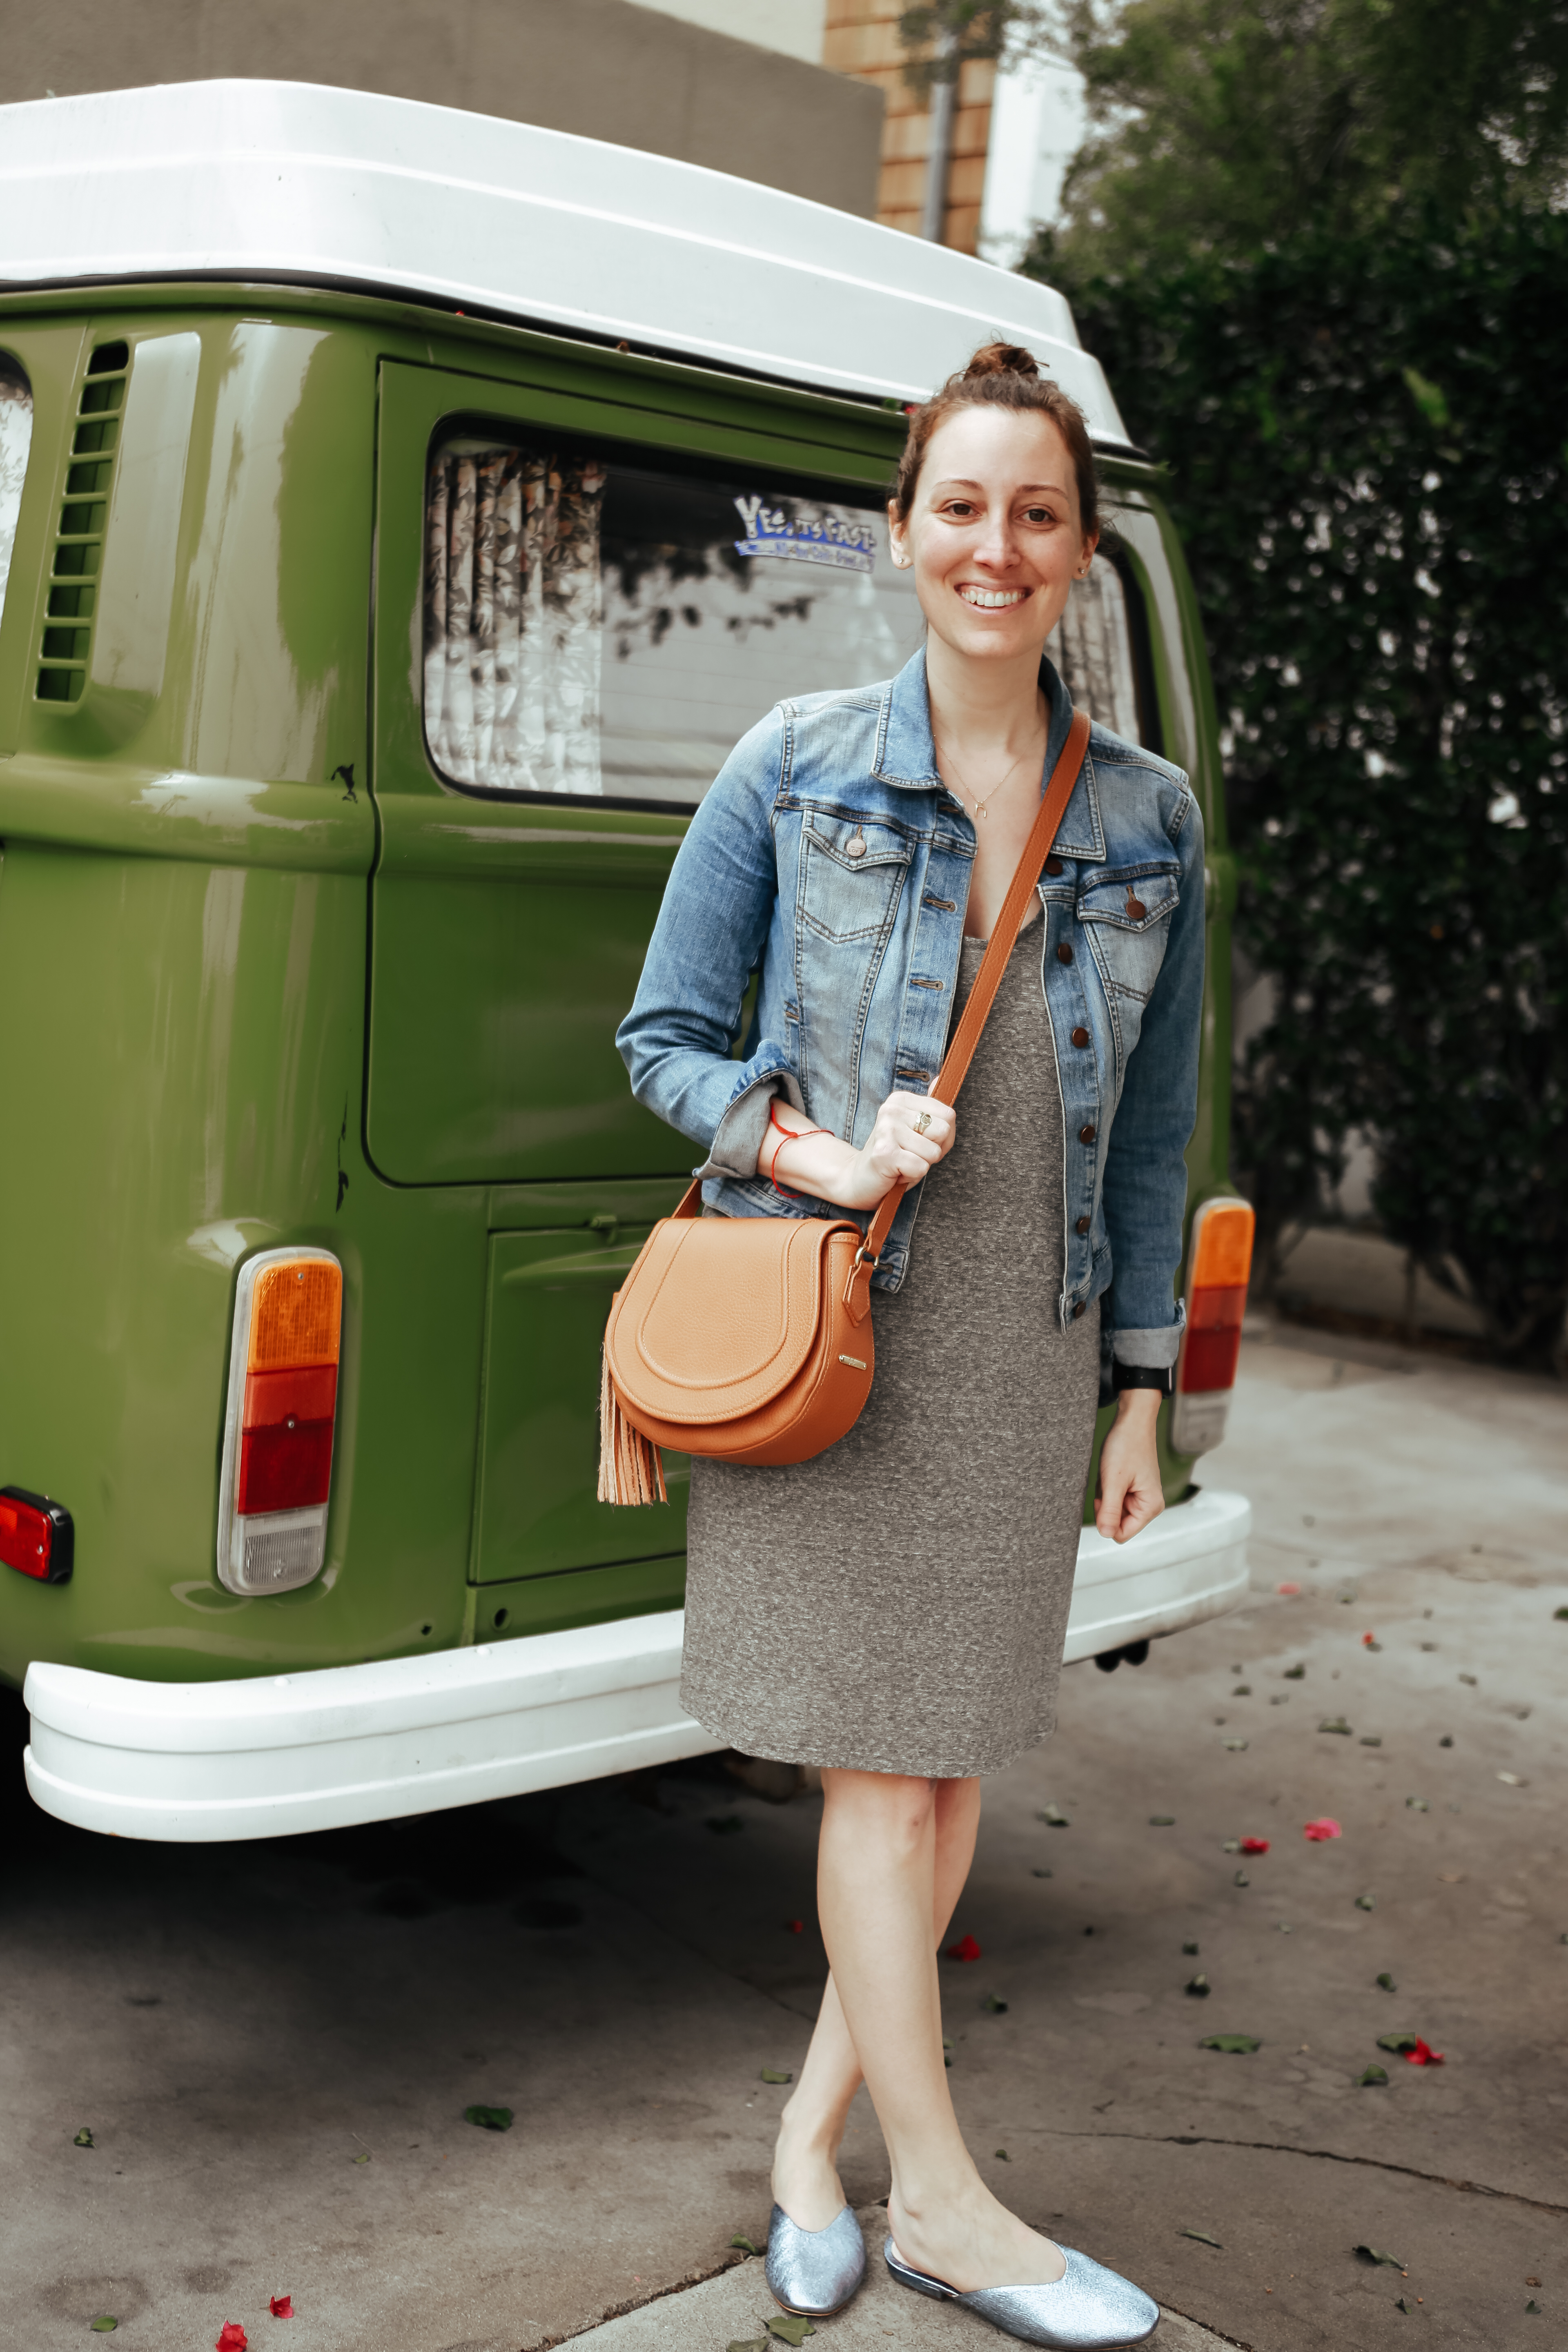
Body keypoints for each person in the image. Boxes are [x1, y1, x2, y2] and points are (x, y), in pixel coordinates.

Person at [616, 343, 1203, 2350]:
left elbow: (1159, 1131)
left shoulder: (1149, 816)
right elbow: (661, 1043)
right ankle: (943, 2205)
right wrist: (816, 1143)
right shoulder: (795, 764)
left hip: (1025, 1356)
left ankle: (806, 2152)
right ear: (900, 532)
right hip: (838, 1332)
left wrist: (1144, 1386)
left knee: (939, 1785)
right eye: (960, 505)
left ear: (1079, 552)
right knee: (882, 1789)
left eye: (1037, 512)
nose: (995, 545)